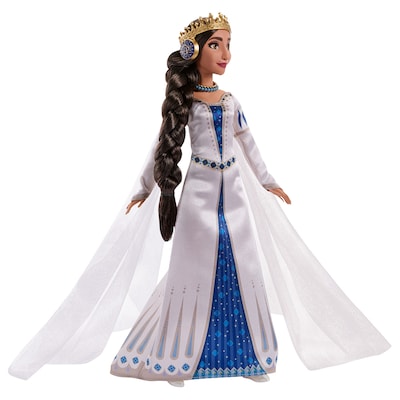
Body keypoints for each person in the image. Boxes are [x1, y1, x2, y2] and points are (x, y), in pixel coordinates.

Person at [8, 12, 390, 386]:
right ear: (195, 51)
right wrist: (145, 188)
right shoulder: (185, 101)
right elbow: (162, 147)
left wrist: (267, 180)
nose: (226, 54)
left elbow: (249, 145)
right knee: (192, 271)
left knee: (240, 265)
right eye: (216, 45)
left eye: (228, 45)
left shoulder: (232, 101)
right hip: (199, 197)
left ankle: (247, 355)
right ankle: (176, 355)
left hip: (234, 195)